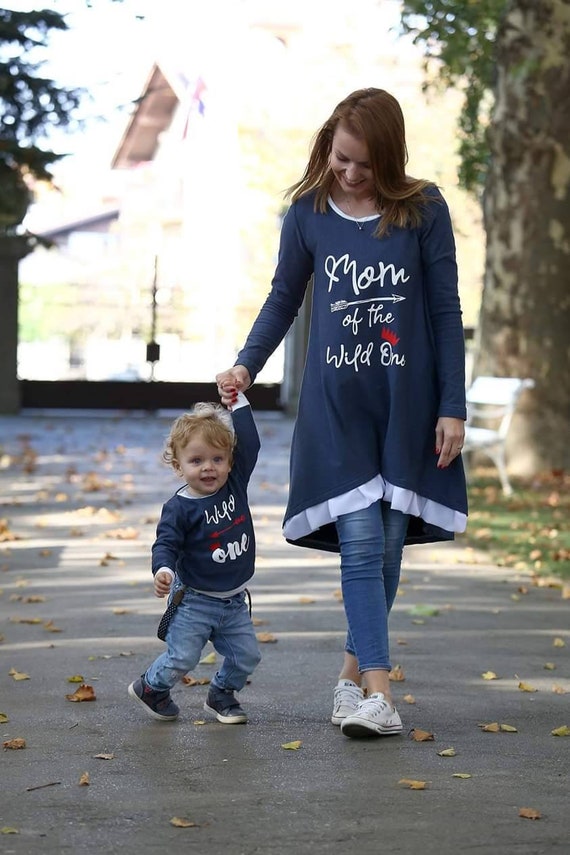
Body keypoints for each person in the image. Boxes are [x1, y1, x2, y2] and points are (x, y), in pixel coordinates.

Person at [215, 88, 468, 739]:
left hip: (405, 406)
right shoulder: (307, 212)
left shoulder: (423, 209)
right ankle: (381, 695)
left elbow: (444, 312)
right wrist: (247, 363)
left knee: (386, 545)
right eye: (343, 158)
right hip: (336, 409)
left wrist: (453, 406)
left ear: (391, 158)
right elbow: (282, 297)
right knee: (359, 540)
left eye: (365, 164)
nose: (351, 174)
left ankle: (350, 679)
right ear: (328, 144)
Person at [128, 394, 262, 724]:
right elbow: (166, 545)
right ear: (178, 466)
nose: (208, 468)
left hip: (233, 602)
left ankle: (221, 695)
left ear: (230, 461)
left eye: (217, 459)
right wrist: (163, 569)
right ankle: (151, 688)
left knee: (246, 656)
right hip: (195, 601)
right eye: (197, 460)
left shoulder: (234, 485)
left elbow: (252, 444)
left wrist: (238, 403)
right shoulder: (180, 508)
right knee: (182, 657)